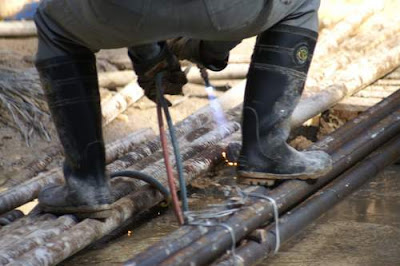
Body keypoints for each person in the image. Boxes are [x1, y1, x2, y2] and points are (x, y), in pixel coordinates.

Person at [34, 0, 332, 218]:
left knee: (54, 23)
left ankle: (86, 183)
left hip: (126, 10)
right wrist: (212, 49)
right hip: (229, 8)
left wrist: (148, 53)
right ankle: (266, 150)